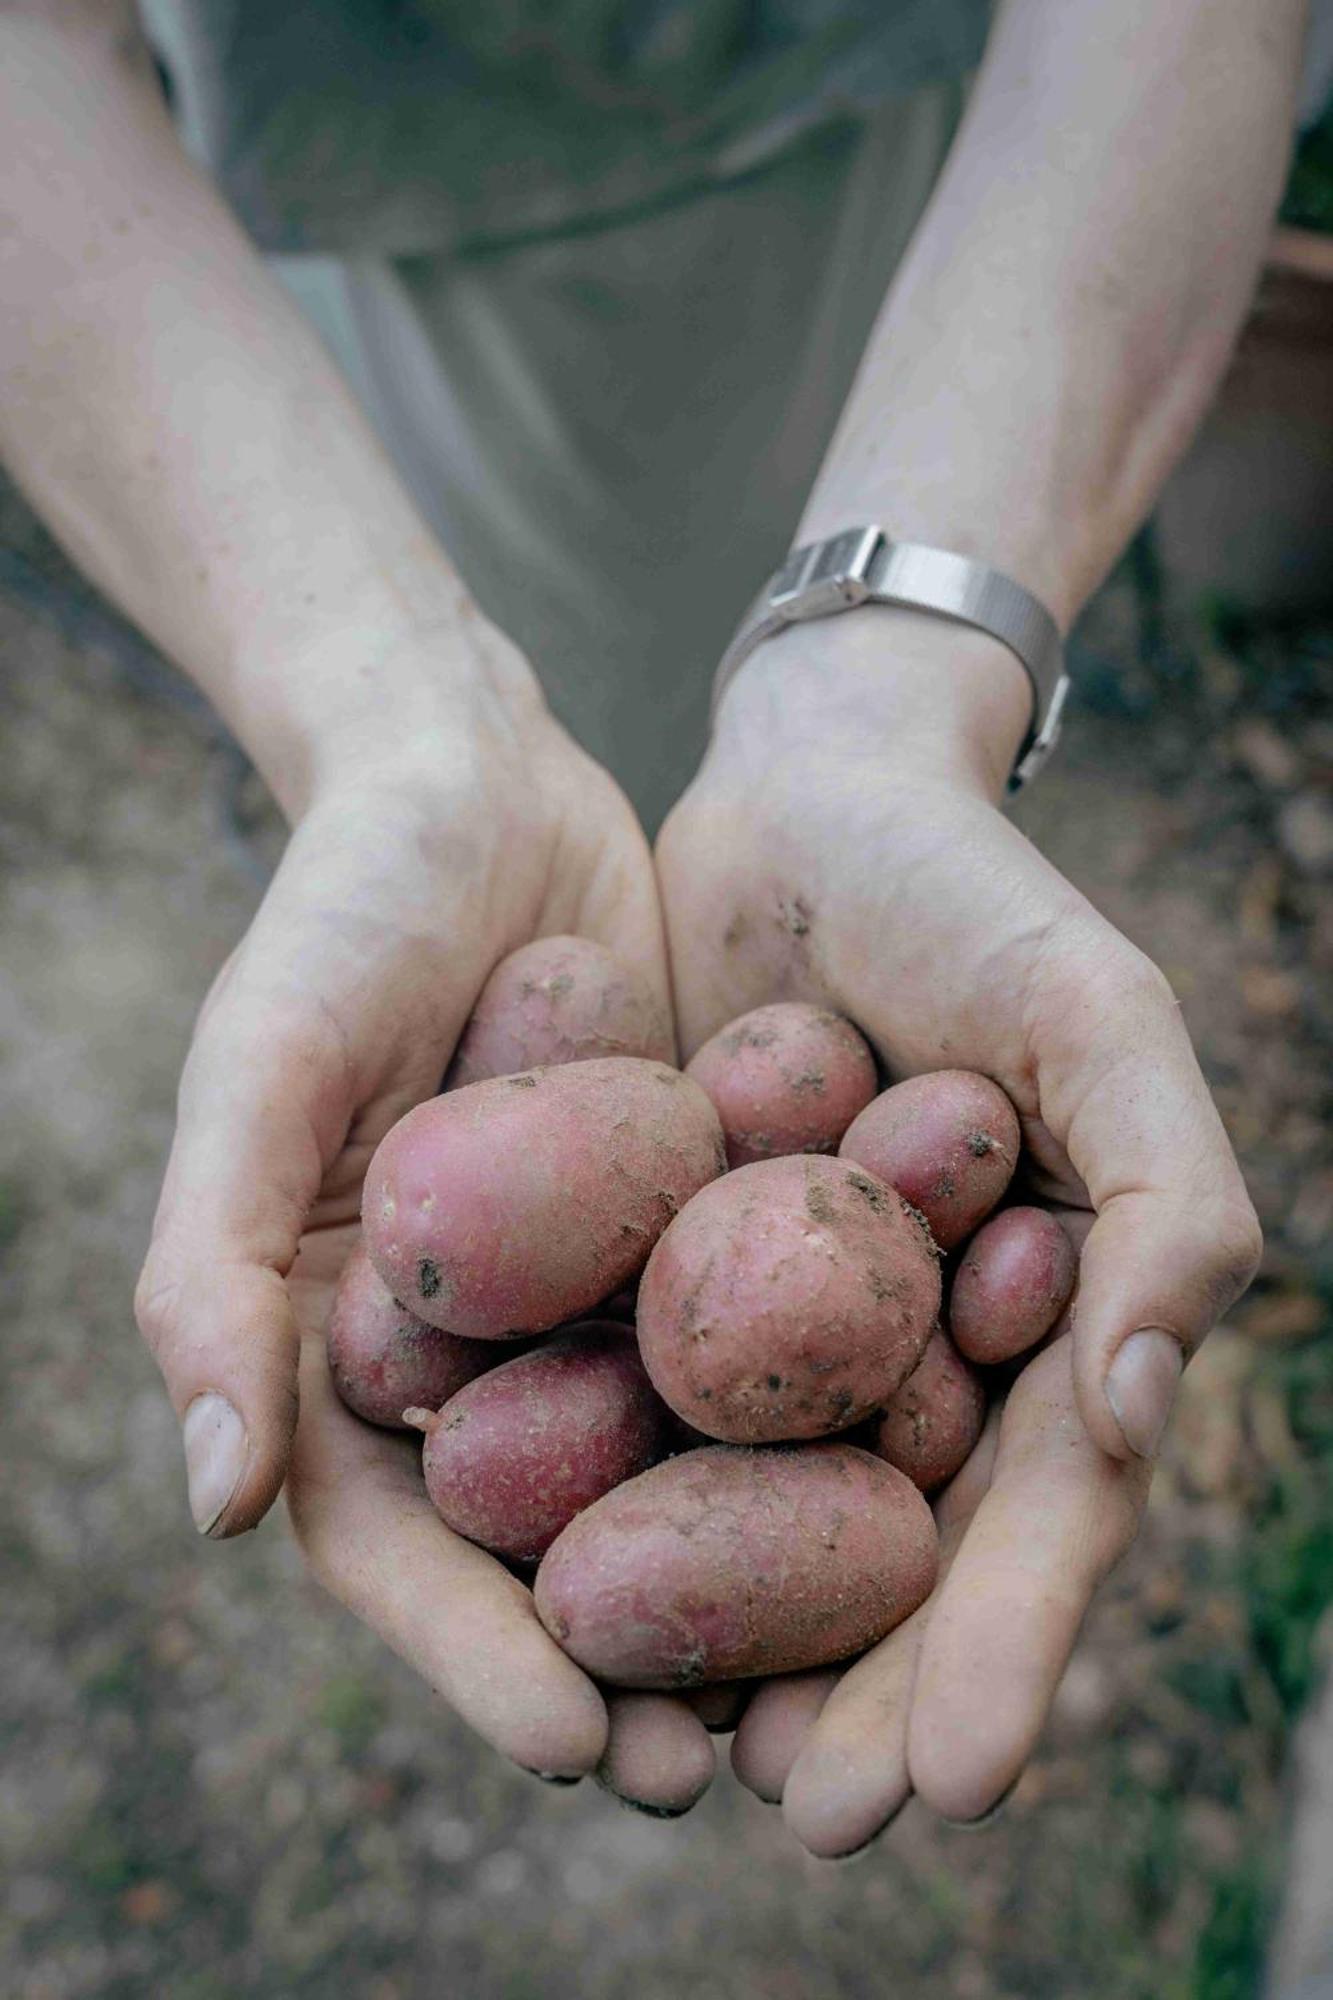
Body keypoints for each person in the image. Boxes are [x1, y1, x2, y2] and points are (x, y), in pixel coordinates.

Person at [0, 0, 1310, 1856]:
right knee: (518, 598)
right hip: (394, 128)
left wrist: (901, 688)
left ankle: (670, 740)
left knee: (739, 585)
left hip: (899, 88)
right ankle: (439, 759)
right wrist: (374, 710)